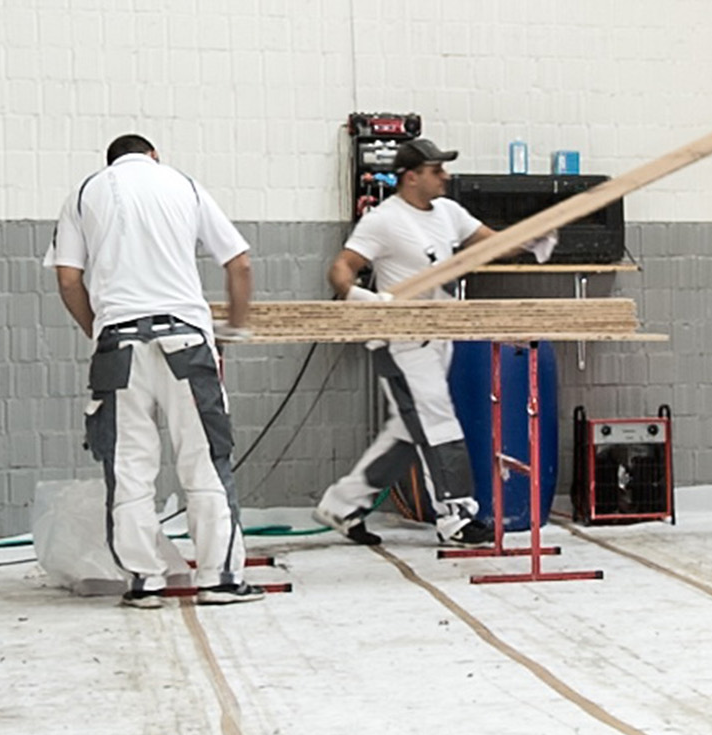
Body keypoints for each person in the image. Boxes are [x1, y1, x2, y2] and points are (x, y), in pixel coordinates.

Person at [44, 133, 263, 608]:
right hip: (186, 339)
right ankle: (220, 578)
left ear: (111, 162)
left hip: (118, 345)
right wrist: (235, 329)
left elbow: (67, 278)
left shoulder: (85, 193)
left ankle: (144, 582)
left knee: (128, 468)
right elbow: (239, 262)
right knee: (204, 459)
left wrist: (97, 331)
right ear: (154, 156)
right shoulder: (183, 185)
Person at [312, 137, 504, 547]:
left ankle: (342, 505)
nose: (445, 177)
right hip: (401, 342)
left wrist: (538, 237)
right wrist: (364, 299)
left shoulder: (449, 213)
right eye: (437, 171)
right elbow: (341, 269)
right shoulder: (384, 219)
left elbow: (492, 241)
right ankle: (456, 517)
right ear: (411, 177)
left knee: (406, 432)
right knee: (438, 421)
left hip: (438, 339)